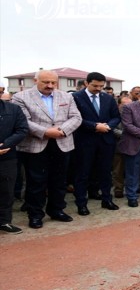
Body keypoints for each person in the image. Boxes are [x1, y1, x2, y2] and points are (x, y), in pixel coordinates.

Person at [13, 70, 82, 229]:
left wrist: (62, 131)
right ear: (35, 80)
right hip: (35, 144)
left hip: (62, 143)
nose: (50, 86)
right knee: (36, 182)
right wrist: (45, 132)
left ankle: (56, 210)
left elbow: (76, 117)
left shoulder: (67, 96)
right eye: (46, 82)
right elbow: (24, 121)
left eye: (53, 82)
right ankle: (35, 214)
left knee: (59, 180)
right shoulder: (20, 97)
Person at [71, 72, 121, 215]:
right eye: (95, 85)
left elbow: (116, 116)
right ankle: (81, 203)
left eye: (101, 86)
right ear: (86, 83)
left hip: (105, 140)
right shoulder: (75, 98)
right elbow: (75, 118)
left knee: (105, 172)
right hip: (84, 141)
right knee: (83, 173)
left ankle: (107, 199)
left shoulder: (108, 98)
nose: (98, 88)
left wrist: (108, 126)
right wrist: (94, 126)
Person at [0, 96, 29, 234]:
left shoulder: (13, 109)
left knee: (6, 190)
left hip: (7, 156)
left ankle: (4, 221)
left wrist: (5, 145)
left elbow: (22, 129)